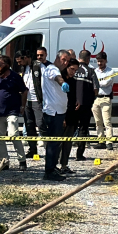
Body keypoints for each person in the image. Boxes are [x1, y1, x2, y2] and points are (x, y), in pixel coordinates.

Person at [0, 55, 28, 170]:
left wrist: (22, 105)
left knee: (13, 135)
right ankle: (4, 162)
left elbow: (24, 91)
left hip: (12, 110)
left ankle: (22, 160)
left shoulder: (15, 77)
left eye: (0, 63)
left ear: (7, 65)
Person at [41, 50, 70, 181]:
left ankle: (52, 167)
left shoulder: (56, 70)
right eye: (64, 59)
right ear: (57, 58)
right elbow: (57, 78)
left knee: (56, 142)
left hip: (59, 112)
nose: (65, 63)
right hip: (53, 112)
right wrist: (62, 83)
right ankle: (49, 171)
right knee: (53, 143)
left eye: (67, 61)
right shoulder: (52, 69)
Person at [17, 50, 44, 158]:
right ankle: (32, 149)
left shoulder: (38, 66)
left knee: (41, 123)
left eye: (20, 61)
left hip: (37, 99)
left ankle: (49, 147)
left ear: (26, 57)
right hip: (27, 100)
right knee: (29, 125)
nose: (19, 64)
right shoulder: (24, 68)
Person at [73, 50, 99, 160]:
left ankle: (62, 155)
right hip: (86, 105)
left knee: (70, 129)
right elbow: (96, 89)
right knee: (83, 129)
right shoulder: (91, 71)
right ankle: (79, 155)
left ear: (79, 58)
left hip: (72, 105)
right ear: (88, 59)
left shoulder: (72, 69)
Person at [58, 59, 81, 174]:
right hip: (61, 114)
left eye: (75, 70)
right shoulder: (60, 80)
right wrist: (63, 118)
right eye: (72, 69)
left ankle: (64, 164)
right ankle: (54, 165)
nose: (73, 72)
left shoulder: (74, 81)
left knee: (68, 142)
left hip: (72, 115)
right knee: (58, 142)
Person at [92, 51, 114, 150]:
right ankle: (101, 140)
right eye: (98, 61)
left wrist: (96, 82)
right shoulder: (95, 71)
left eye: (101, 61)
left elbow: (106, 83)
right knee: (98, 121)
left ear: (105, 60)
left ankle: (109, 141)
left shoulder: (110, 71)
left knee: (107, 122)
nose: (100, 63)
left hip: (106, 98)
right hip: (96, 99)